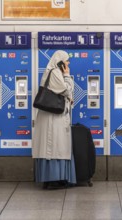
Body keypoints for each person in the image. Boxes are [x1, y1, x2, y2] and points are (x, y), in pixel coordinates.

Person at [33, 50, 76, 189]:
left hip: (51, 115)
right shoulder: (56, 72)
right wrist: (68, 75)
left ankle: (54, 178)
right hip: (53, 117)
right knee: (55, 147)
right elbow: (67, 90)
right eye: (67, 60)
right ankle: (53, 179)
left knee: (54, 147)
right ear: (60, 62)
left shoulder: (50, 72)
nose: (68, 63)